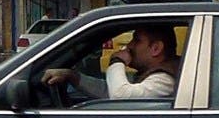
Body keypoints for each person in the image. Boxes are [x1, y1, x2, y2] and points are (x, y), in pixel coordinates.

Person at [42, 22, 180, 102]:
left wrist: (117, 61)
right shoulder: (155, 75)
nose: (129, 46)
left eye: (137, 40)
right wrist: (72, 76)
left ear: (156, 48)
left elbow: (120, 96)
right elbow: (110, 91)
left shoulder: (165, 80)